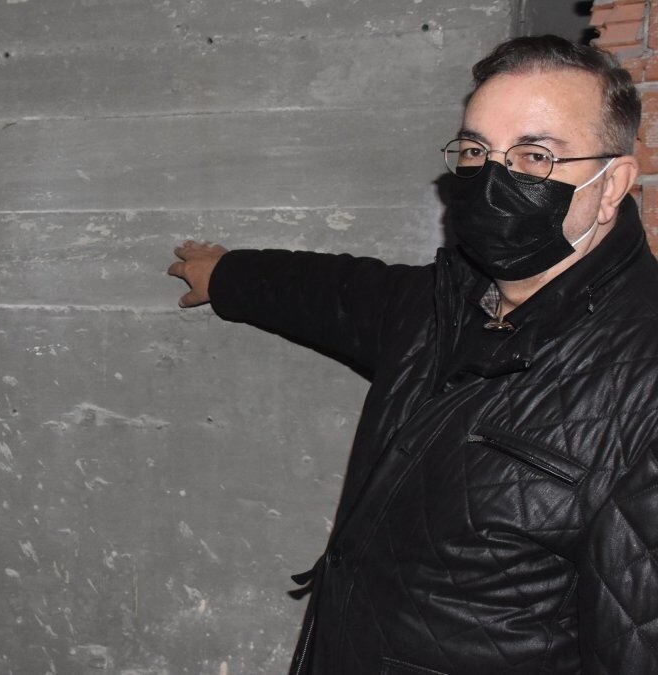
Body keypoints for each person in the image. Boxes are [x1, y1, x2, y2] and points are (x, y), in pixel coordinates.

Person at [167, 35, 658, 674]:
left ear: (612, 183)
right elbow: (331, 293)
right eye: (476, 151)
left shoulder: (644, 375)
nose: (493, 179)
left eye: (535, 155)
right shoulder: (445, 305)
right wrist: (227, 274)